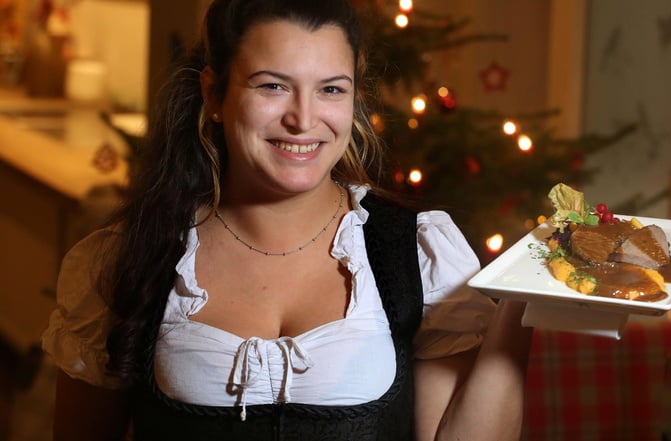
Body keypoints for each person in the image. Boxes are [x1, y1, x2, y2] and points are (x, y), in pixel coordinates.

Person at [41, 0, 532, 439]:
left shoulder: (416, 252)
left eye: (331, 90)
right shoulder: (131, 256)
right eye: (273, 85)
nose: (303, 118)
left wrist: (524, 300)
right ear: (213, 95)